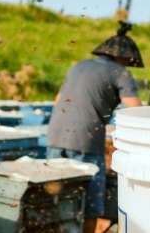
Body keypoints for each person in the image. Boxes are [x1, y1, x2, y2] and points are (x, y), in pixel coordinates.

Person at [46, 21, 143, 233]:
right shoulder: (121, 73)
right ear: (125, 57)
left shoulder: (78, 65)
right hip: (85, 143)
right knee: (90, 205)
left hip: (54, 137)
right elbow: (137, 111)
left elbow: (57, 102)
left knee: (57, 200)